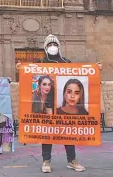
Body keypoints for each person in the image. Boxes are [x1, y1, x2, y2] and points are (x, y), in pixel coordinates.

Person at [40, 34, 102, 173]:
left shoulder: (66, 61)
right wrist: (21, 67)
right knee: (47, 133)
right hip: (50, 105)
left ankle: (72, 160)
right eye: (49, 45)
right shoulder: (41, 62)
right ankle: (46, 160)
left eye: (54, 44)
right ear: (45, 48)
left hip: (64, 109)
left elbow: (80, 72)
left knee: (68, 133)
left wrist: (95, 68)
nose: (52, 47)